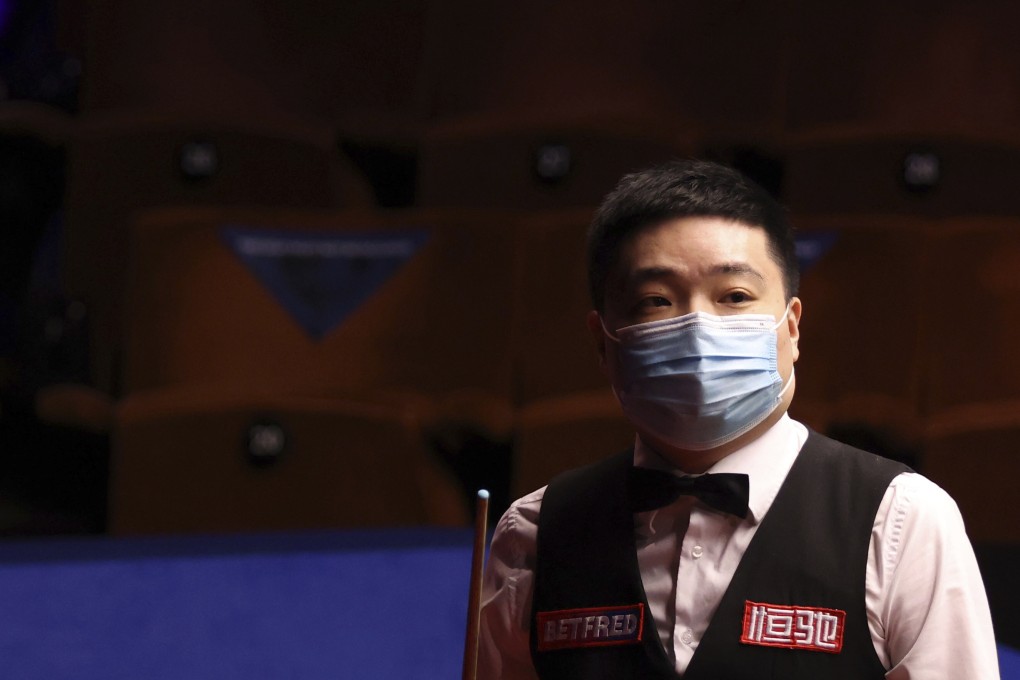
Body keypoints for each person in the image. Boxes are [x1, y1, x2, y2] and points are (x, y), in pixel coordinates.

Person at [477, 160, 999, 679]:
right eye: (655, 300)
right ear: (602, 343)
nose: (698, 327)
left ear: (792, 328)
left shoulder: (902, 521)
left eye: (735, 297)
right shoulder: (534, 534)